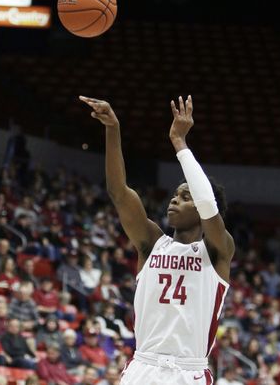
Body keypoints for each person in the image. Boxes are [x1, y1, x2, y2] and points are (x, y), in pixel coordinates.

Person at [79, 95, 235, 385]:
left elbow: (208, 203)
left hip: (188, 371)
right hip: (144, 365)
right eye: (175, 195)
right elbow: (119, 192)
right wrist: (112, 129)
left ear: (201, 209)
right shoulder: (152, 242)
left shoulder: (217, 251)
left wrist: (180, 143)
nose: (174, 200)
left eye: (185, 197)